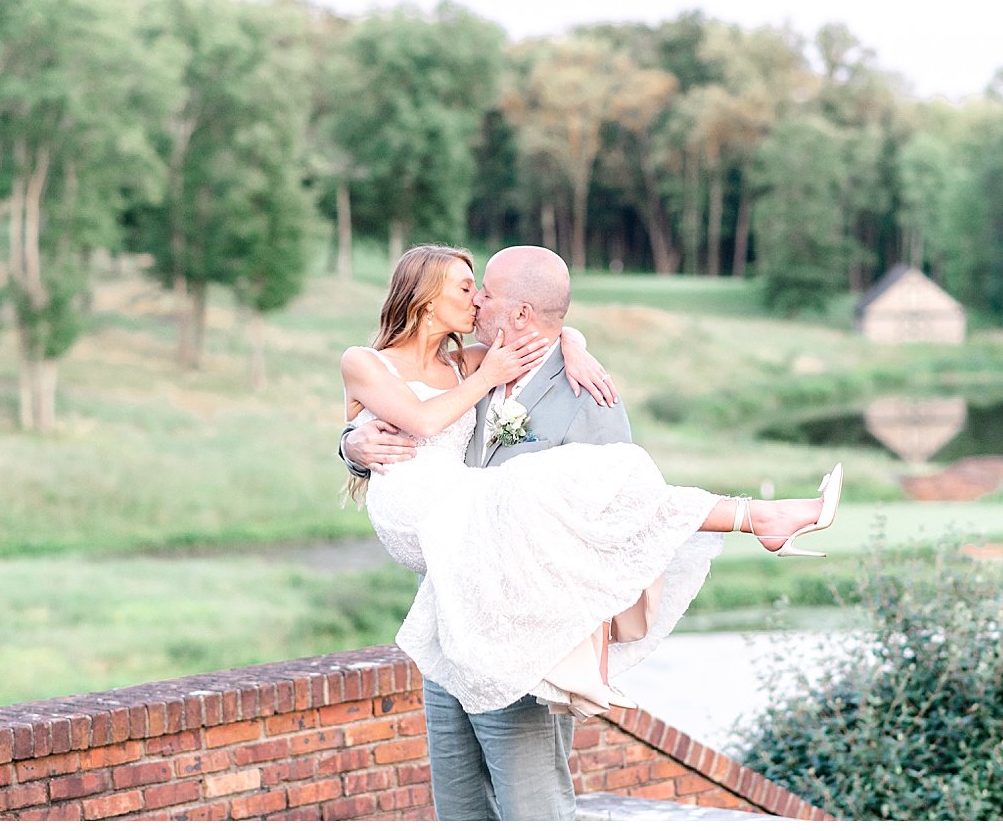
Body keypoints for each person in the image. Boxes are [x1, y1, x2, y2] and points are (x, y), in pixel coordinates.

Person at [339, 244, 843, 821]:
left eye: (485, 291)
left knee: (533, 808)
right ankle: (758, 516)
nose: (476, 298)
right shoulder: (473, 368)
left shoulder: (584, 394)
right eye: (466, 288)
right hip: (450, 610)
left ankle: (757, 516)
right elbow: (414, 425)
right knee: (458, 807)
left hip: (525, 634)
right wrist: (353, 446)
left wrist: (571, 344)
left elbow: (616, 518)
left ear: (522, 314)